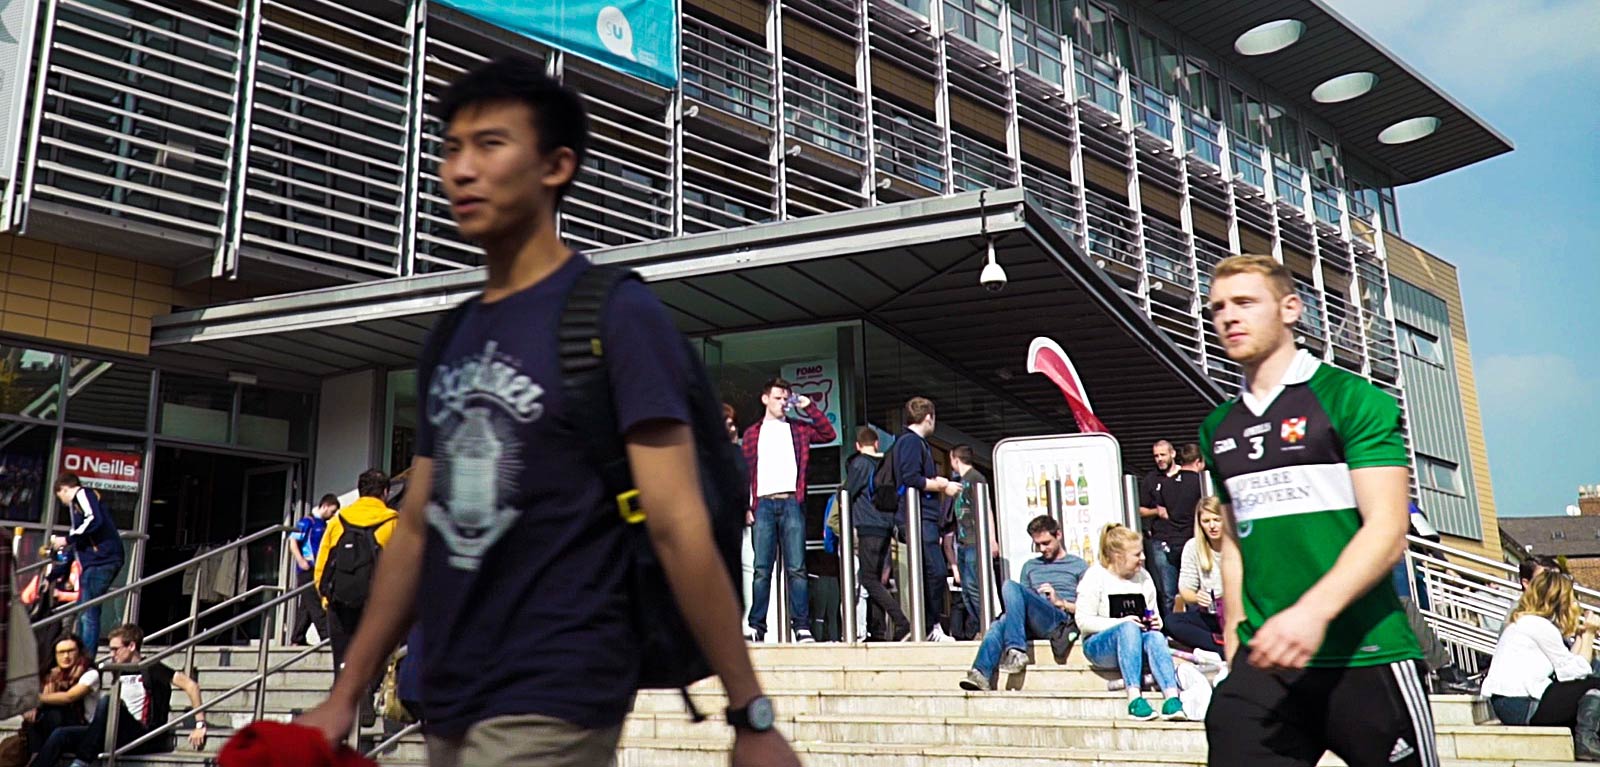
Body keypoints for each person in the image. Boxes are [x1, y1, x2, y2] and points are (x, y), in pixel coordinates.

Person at [295, 56, 798, 767]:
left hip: (557, 688)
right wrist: (348, 690)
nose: (462, 169)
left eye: (490, 144)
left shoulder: (615, 315)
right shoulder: (452, 334)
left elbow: (676, 520)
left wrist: (751, 712)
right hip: (445, 689)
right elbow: (417, 528)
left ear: (556, 166)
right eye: (450, 148)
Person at [1200, 254, 1435, 767]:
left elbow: (1389, 528)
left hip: (1365, 654)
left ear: (1290, 308)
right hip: (1266, 664)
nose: (1228, 317)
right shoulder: (1217, 427)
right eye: (1217, 307)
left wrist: (1313, 613)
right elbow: (1236, 543)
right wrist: (1236, 636)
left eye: (1244, 302)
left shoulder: (1353, 400)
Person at [741, 377, 837, 643]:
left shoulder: (798, 429)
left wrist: (809, 406)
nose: (782, 403)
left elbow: (829, 434)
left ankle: (801, 626)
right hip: (763, 504)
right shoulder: (753, 433)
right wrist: (746, 506)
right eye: (777, 398)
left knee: (797, 567)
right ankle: (757, 625)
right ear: (765, 399)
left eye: (785, 399)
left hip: (791, 501)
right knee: (762, 569)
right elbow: (745, 473)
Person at [34, 623, 209, 766]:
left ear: (132, 646)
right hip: (114, 730)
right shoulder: (119, 670)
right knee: (60, 734)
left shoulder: (151, 667)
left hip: (141, 733)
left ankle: (81, 762)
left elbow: (191, 685)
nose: (112, 654)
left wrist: (200, 724)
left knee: (108, 701)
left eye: (116, 649)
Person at [1481, 569, 1600, 759]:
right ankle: (1586, 741)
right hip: (1522, 705)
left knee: (1590, 684)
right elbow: (1576, 672)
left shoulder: (1527, 623)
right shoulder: (1538, 626)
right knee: (1595, 683)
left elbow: (1566, 665)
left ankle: (1588, 736)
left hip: (1511, 704)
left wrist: (1581, 635)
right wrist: (1590, 634)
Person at [959, 515, 1084, 691]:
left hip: (1058, 619)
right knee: (1002, 618)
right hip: (1031, 618)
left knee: (1008, 594)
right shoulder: (1030, 566)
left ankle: (1013, 651)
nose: (1042, 549)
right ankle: (981, 674)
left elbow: (1087, 608)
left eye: (1046, 543)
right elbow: (1018, 599)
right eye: (1038, 544)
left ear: (1059, 535)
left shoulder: (1078, 565)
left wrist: (1060, 602)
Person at [1076, 523, 1184, 721]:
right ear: (1118, 556)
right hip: (1099, 645)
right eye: (1136, 554)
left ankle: (1171, 697)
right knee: (1128, 627)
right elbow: (1083, 622)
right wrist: (1121, 622)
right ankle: (1134, 698)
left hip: (1137, 641)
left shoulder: (1143, 577)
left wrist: (1154, 622)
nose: (1142, 558)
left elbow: (1156, 616)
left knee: (1155, 636)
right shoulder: (1095, 576)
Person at [314, 470, 399, 675]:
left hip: (340, 606)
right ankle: (366, 701)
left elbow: (321, 568)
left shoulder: (338, 521)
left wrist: (328, 600)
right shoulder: (393, 523)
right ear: (385, 492)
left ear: (360, 491)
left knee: (342, 668)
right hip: (377, 608)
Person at [893, 396, 962, 642]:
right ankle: (929, 625)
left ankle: (927, 625)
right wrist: (942, 485)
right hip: (919, 517)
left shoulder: (909, 442)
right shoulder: (912, 443)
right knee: (935, 570)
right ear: (929, 417)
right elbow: (911, 478)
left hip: (921, 517)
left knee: (929, 571)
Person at [846, 427, 909, 642]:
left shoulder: (860, 464)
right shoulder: (884, 465)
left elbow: (846, 493)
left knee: (868, 579)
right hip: (885, 526)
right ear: (876, 444)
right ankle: (879, 631)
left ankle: (901, 622)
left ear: (857, 446)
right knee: (876, 580)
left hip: (868, 528)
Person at [56, 473, 124, 652]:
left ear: (64, 489)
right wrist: (55, 574)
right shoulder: (77, 509)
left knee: (88, 613)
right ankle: (82, 652)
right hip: (96, 561)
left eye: (60, 496)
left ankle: (86, 657)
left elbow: (94, 519)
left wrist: (68, 539)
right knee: (85, 611)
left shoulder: (82, 494)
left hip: (102, 560)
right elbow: (77, 545)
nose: (62, 502)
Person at [949, 444, 998, 640]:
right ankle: (980, 625)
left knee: (974, 586)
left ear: (955, 459)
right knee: (967, 590)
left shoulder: (976, 479)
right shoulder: (962, 481)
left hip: (975, 541)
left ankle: (986, 626)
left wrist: (992, 539)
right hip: (963, 542)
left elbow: (986, 509)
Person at [1166, 496, 1225, 655]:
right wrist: (1197, 597)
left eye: (1216, 520)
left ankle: (1219, 646)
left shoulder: (1236, 544)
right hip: (1211, 613)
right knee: (1172, 621)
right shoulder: (1193, 547)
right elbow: (1185, 589)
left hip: (1235, 613)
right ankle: (1220, 648)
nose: (1212, 526)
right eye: (1206, 521)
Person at [26, 634, 99, 762]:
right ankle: (36, 754)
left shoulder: (90, 673)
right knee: (39, 715)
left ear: (79, 652)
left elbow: (69, 697)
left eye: (70, 651)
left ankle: (37, 757)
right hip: (54, 727)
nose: (66, 656)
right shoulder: (50, 675)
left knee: (53, 710)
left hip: (83, 729)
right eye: (61, 652)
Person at [1137, 441, 1180, 619]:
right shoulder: (1151, 480)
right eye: (1156, 456)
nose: (1159, 459)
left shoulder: (1187, 477)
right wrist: (1157, 511)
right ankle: (1171, 628)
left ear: (1173, 454)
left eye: (1163, 455)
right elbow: (1140, 509)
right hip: (1161, 539)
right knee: (1167, 589)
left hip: (1187, 538)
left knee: (1191, 588)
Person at [290, 494, 338, 645]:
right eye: (332, 511)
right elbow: (293, 541)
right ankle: (325, 636)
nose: (332, 515)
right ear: (324, 506)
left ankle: (297, 637)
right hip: (308, 568)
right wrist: (301, 560)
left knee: (306, 606)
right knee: (315, 603)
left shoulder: (324, 524)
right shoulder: (306, 522)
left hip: (319, 568)